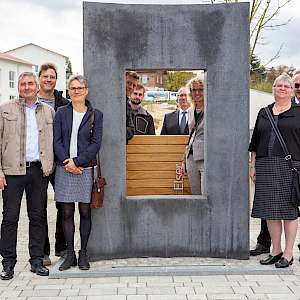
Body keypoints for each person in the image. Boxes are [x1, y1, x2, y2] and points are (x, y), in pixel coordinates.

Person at [0, 72, 55, 280]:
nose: (26, 87)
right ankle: (8, 263)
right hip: (12, 171)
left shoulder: (48, 112)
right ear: (18, 88)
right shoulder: (5, 109)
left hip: (38, 172)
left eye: (30, 83)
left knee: (38, 217)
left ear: (37, 86)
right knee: (10, 218)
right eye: (23, 84)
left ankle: (37, 261)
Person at [249, 73, 300, 268]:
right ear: (273, 89)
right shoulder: (264, 112)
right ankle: (276, 250)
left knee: (288, 211)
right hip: (265, 165)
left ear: (291, 90)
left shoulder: (298, 111)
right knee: (270, 211)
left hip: (290, 167)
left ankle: (289, 253)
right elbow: (255, 142)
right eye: (279, 85)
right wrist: (253, 165)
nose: (282, 88)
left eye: (286, 86)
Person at [53, 75, 103, 271]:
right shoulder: (61, 112)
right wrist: (68, 162)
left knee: (84, 211)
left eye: (80, 88)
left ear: (86, 90)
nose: (76, 91)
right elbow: (56, 141)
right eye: (73, 88)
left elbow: (96, 144)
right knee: (66, 212)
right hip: (64, 168)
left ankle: (83, 254)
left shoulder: (95, 115)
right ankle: (69, 255)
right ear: (68, 91)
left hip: (85, 168)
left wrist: (77, 162)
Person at [38, 63, 69, 266]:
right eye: (45, 76)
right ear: (39, 77)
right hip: (37, 163)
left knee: (63, 205)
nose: (49, 79)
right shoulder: (29, 102)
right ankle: (42, 252)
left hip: (58, 161)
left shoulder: (62, 103)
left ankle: (62, 248)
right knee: (38, 208)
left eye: (52, 77)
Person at [181, 77, 205, 195]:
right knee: (196, 197)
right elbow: (191, 136)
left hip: (206, 158)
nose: (197, 93)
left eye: (200, 90)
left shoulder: (212, 109)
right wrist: (184, 161)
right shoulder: (190, 110)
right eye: (194, 90)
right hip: (191, 157)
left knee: (207, 195)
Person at [126, 71, 138, 142]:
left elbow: (131, 130)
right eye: (128, 83)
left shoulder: (127, 105)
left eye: (134, 85)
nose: (131, 87)